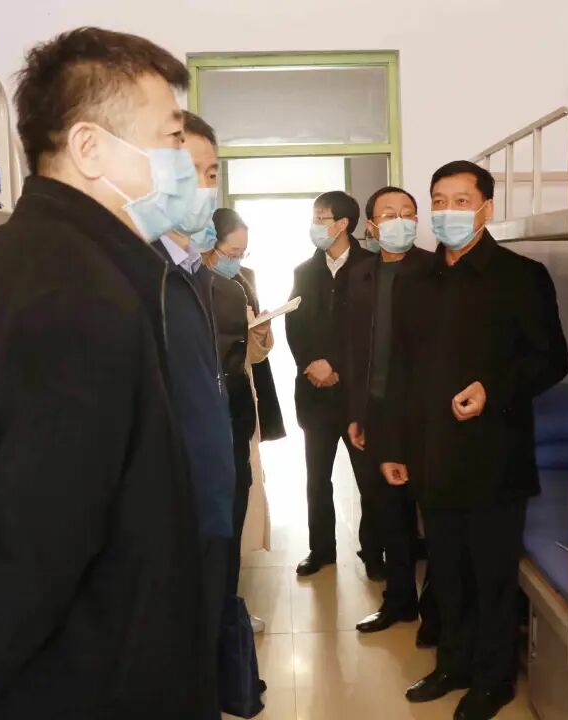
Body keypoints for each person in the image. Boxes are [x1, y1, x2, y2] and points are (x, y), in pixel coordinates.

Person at [0, 28, 209, 720]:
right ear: (89, 148)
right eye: (172, 138)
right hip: (88, 682)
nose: (184, 162)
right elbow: (43, 535)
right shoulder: (79, 295)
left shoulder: (17, 259)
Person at [381, 161, 568, 720]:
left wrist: (493, 388)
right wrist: (395, 447)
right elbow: (400, 372)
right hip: (431, 454)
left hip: (495, 455)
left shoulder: (521, 275)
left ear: (486, 208)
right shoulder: (414, 281)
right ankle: (453, 665)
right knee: (447, 571)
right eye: (439, 201)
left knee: (491, 575)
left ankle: (493, 679)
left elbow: (551, 359)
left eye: (461, 201)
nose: (448, 212)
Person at [153, 110, 239, 720]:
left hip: (207, 503)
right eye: (190, 172)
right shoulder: (140, 276)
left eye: (212, 174)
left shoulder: (194, 275)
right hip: (169, 515)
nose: (205, 188)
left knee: (199, 658)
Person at [344, 186, 439, 642]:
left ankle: (436, 614)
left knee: (434, 516)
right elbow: (352, 350)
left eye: (408, 213)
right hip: (378, 412)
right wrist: (356, 413)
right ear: (372, 226)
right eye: (389, 214)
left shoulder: (435, 270)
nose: (400, 220)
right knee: (390, 514)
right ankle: (398, 601)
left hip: (425, 413)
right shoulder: (360, 274)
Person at [287, 191, 382, 578]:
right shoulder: (304, 271)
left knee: (369, 480)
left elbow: (371, 330)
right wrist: (310, 364)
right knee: (317, 479)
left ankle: (373, 552)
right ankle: (321, 549)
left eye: (320, 218)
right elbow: (294, 325)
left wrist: (337, 365)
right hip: (315, 394)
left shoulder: (372, 267)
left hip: (358, 395)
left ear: (343, 223)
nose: (314, 225)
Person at [204, 206, 275, 633]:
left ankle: (228, 607)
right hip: (213, 418)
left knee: (235, 511)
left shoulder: (240, 283)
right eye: (232, 252)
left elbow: (254, 355)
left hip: (239, 407)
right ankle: (219, 612)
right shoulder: (189, 287)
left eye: (243, 253)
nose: (237, 260)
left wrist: (260, 335)